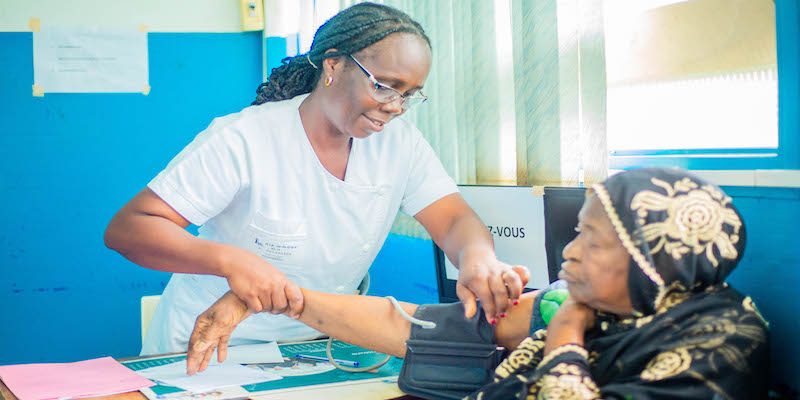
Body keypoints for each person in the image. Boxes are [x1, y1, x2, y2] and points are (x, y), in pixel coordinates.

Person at [104, 2, 526, 355]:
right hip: (213, 346)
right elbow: (130, 229)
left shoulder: (400, 143)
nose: (396, 107)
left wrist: (477, 258)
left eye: (410, 94)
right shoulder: (245, 138)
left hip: (318, 344)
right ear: (333, 65)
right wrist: (230, 261)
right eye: (384, 86)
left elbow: (453, 219)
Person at [185, 168, 769, 399]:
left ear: (652, 261)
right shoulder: (595, 303)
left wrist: (564, 334)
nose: (567, 251)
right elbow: (415, 325)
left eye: (589, 241)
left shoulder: (718, 343)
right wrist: (267, 297)